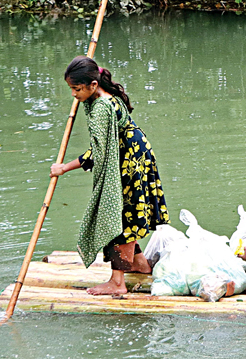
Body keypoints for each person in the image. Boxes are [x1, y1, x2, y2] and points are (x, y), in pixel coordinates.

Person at [50, 56, 170, 295]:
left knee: (119, 215)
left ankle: (117, 282)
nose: (74, 94)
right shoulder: (103, 96)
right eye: (71, 89)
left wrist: (64, 167)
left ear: (93, 85)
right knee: (127, 212)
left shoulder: (103, 107)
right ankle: (139, 264)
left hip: (129, 162)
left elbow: (98, 152)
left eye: (76, 89)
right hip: (137, 153)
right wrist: (83, 97)